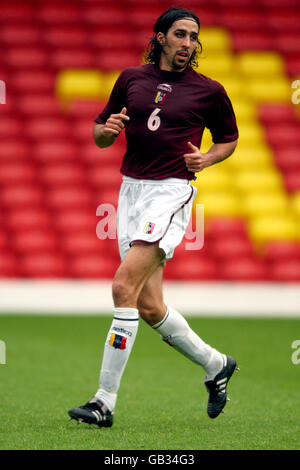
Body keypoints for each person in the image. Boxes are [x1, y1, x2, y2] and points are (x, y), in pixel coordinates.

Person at [68, 7, 239, 428]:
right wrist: (106, 132)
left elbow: (229, 139)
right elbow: (100, 132)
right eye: (180, 35)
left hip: (171, 191)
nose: (188, 43)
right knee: (148, 305)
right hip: (130, 190)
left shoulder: (209, 90)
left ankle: (103, 401)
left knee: (123, 286)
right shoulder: (131, 79)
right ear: (160, 37)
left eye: (193, 37)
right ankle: (216, 364)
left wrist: (208, 158)